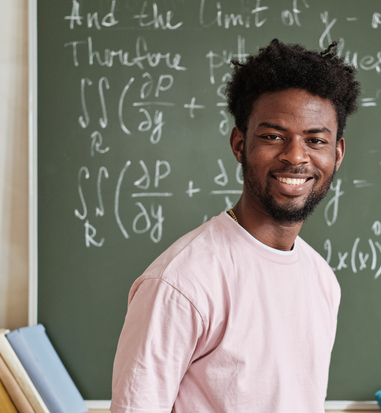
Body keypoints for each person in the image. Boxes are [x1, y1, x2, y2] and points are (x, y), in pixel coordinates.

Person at [111, 38, 360, 413]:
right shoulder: (181, 282)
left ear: (336, 154)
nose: (296, 156)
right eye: (273, 136)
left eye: (315, 140)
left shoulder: (321, 280)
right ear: (240, 144)